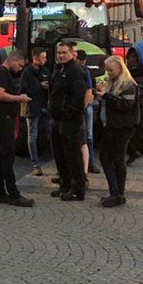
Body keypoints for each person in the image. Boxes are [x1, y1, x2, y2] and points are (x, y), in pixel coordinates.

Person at [0, 51, 35, 207]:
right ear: (13, 60)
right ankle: (13, 194)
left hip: (3, 118)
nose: (20, 69)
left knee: (1, 157)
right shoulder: (2, 73)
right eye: (20, 65)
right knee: (7, 156)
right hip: (3, 119)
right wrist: (19, 98)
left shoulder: (3, 72)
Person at [95, 55, 139, 208]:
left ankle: (117, 193)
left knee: (114, 158)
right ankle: (117, 193)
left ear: (120, 69)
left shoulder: (128, 85)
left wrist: (106, 96)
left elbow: (125, 106)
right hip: (112, 126)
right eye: (107, 70)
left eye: (111, 70)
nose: (108, 73)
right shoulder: (113, 82)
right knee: (110, 158)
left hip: (121, 128)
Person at [49, 42, 89, 201]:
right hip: (57, 118)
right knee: (60, 154)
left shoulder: (76, 71)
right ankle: (65, 185)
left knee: (73, 155)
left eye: (64, 52)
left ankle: (78, 189)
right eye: (59, 52)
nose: (60, 55)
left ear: (73, 54)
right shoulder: (59, 70)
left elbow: (77, 96)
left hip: (69, 120)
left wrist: (67, 114)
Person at [20, 48, 51, 176]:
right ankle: (36, 164)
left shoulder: (45, 71)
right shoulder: (26, 72)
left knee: (51, 133)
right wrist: (40, 86)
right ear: (35, 58)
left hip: (45, 106)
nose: (45, 60)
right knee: (32, 135)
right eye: (43, 58)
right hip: (32, 107)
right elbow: (23, 89)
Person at [76, 50, 100, 174]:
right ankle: (89, 163)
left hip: (84, 106)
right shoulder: (85, 71)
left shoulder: (85, 72)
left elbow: (90, 89)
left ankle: (90, 162)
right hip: (84, 106)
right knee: (87, 135)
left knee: (87, 135)